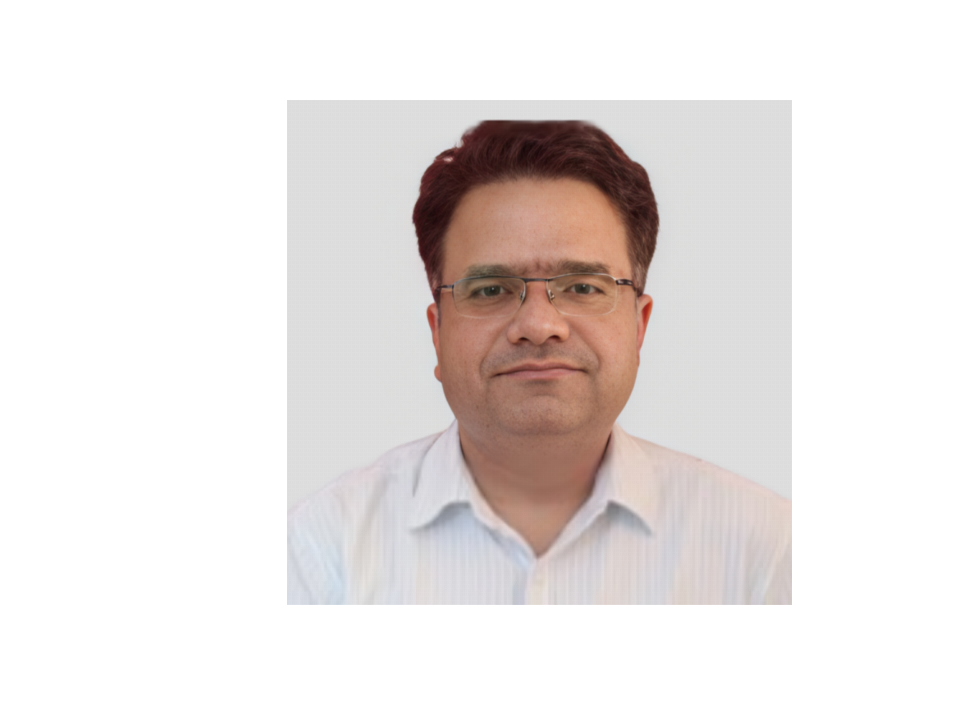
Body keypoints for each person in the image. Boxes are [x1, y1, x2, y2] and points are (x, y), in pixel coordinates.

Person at [287, 119, 791, 606]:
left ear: (639, 326)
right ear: (437, 333)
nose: (539, 324)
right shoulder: (321, 550)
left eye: (583, 287)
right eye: (490, 290)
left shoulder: (763, 548)